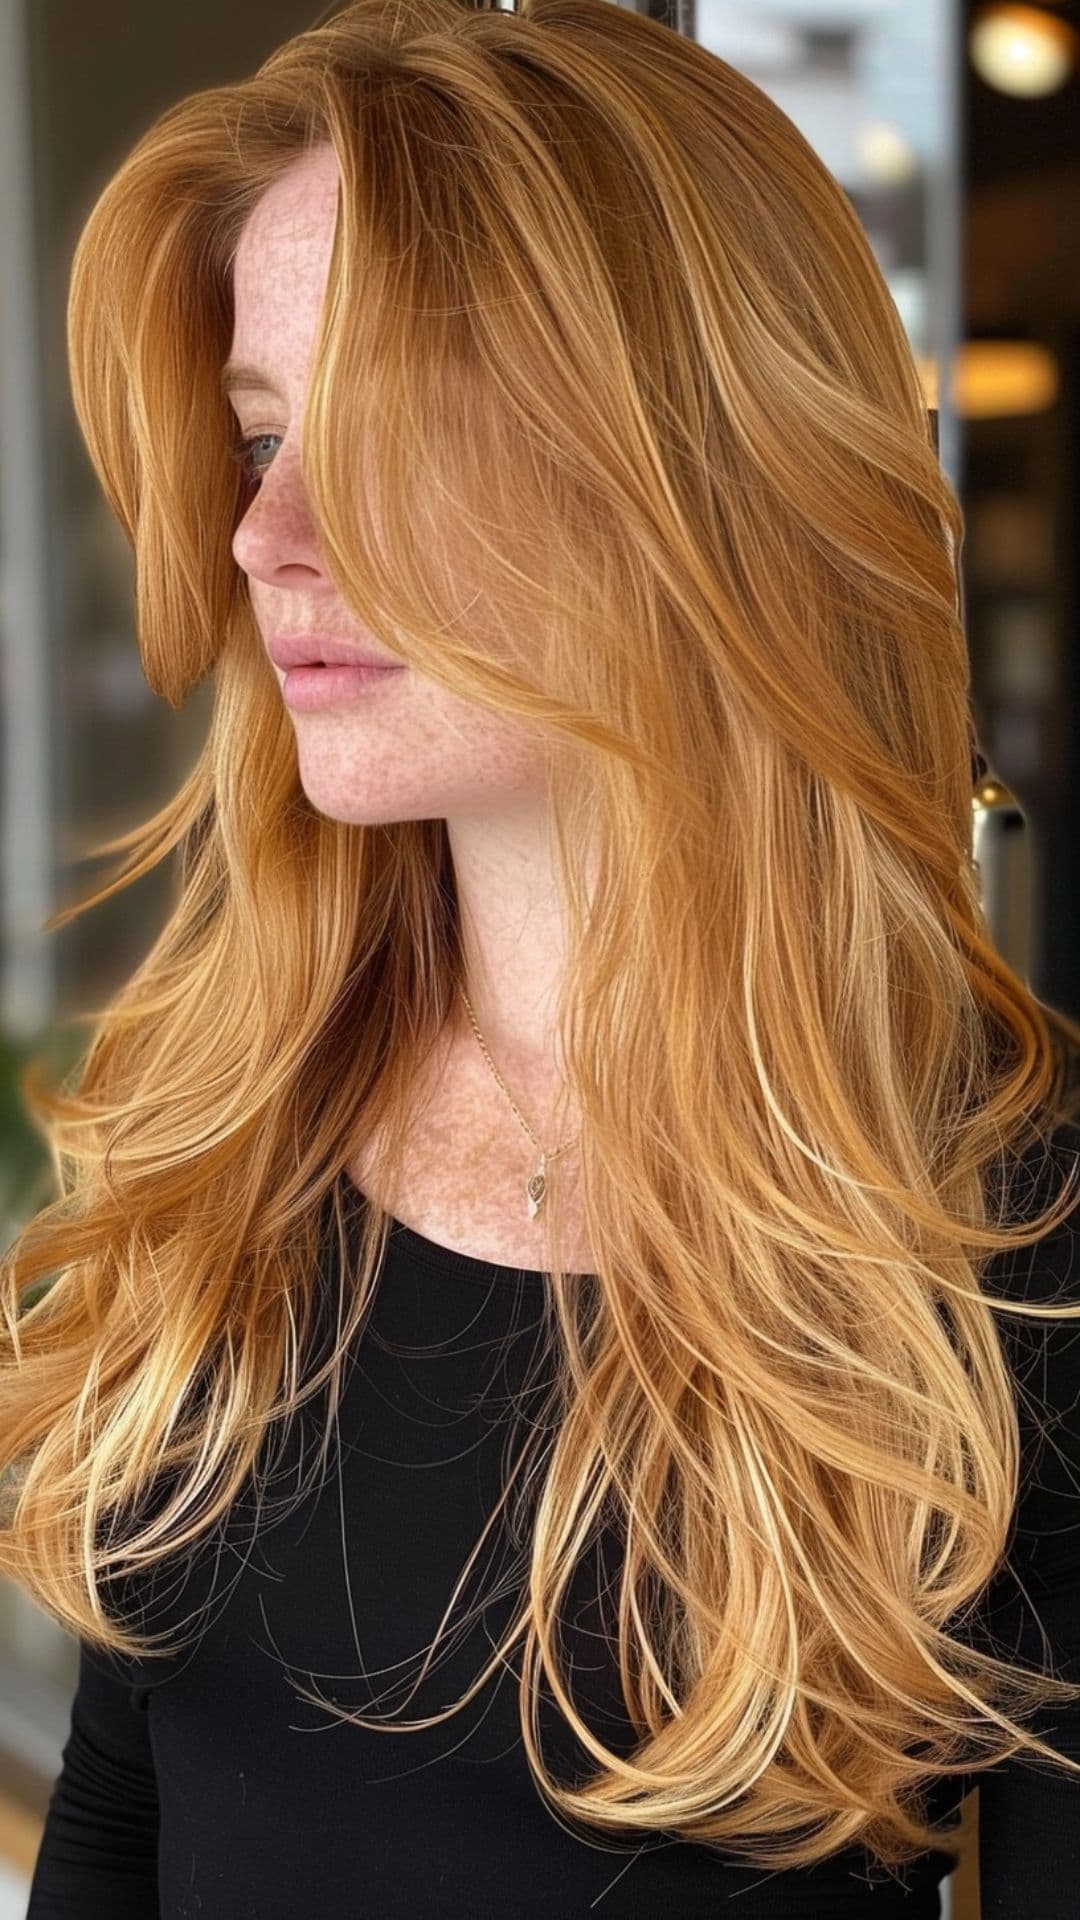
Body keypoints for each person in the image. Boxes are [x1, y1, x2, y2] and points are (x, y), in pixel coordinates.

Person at [4, 2, 1080, 1914]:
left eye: (398, 436)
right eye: (260, 436)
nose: (266, 536)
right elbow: (117, 1819)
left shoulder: (1011, 1228)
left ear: (701, 476)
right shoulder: (225, 1125)